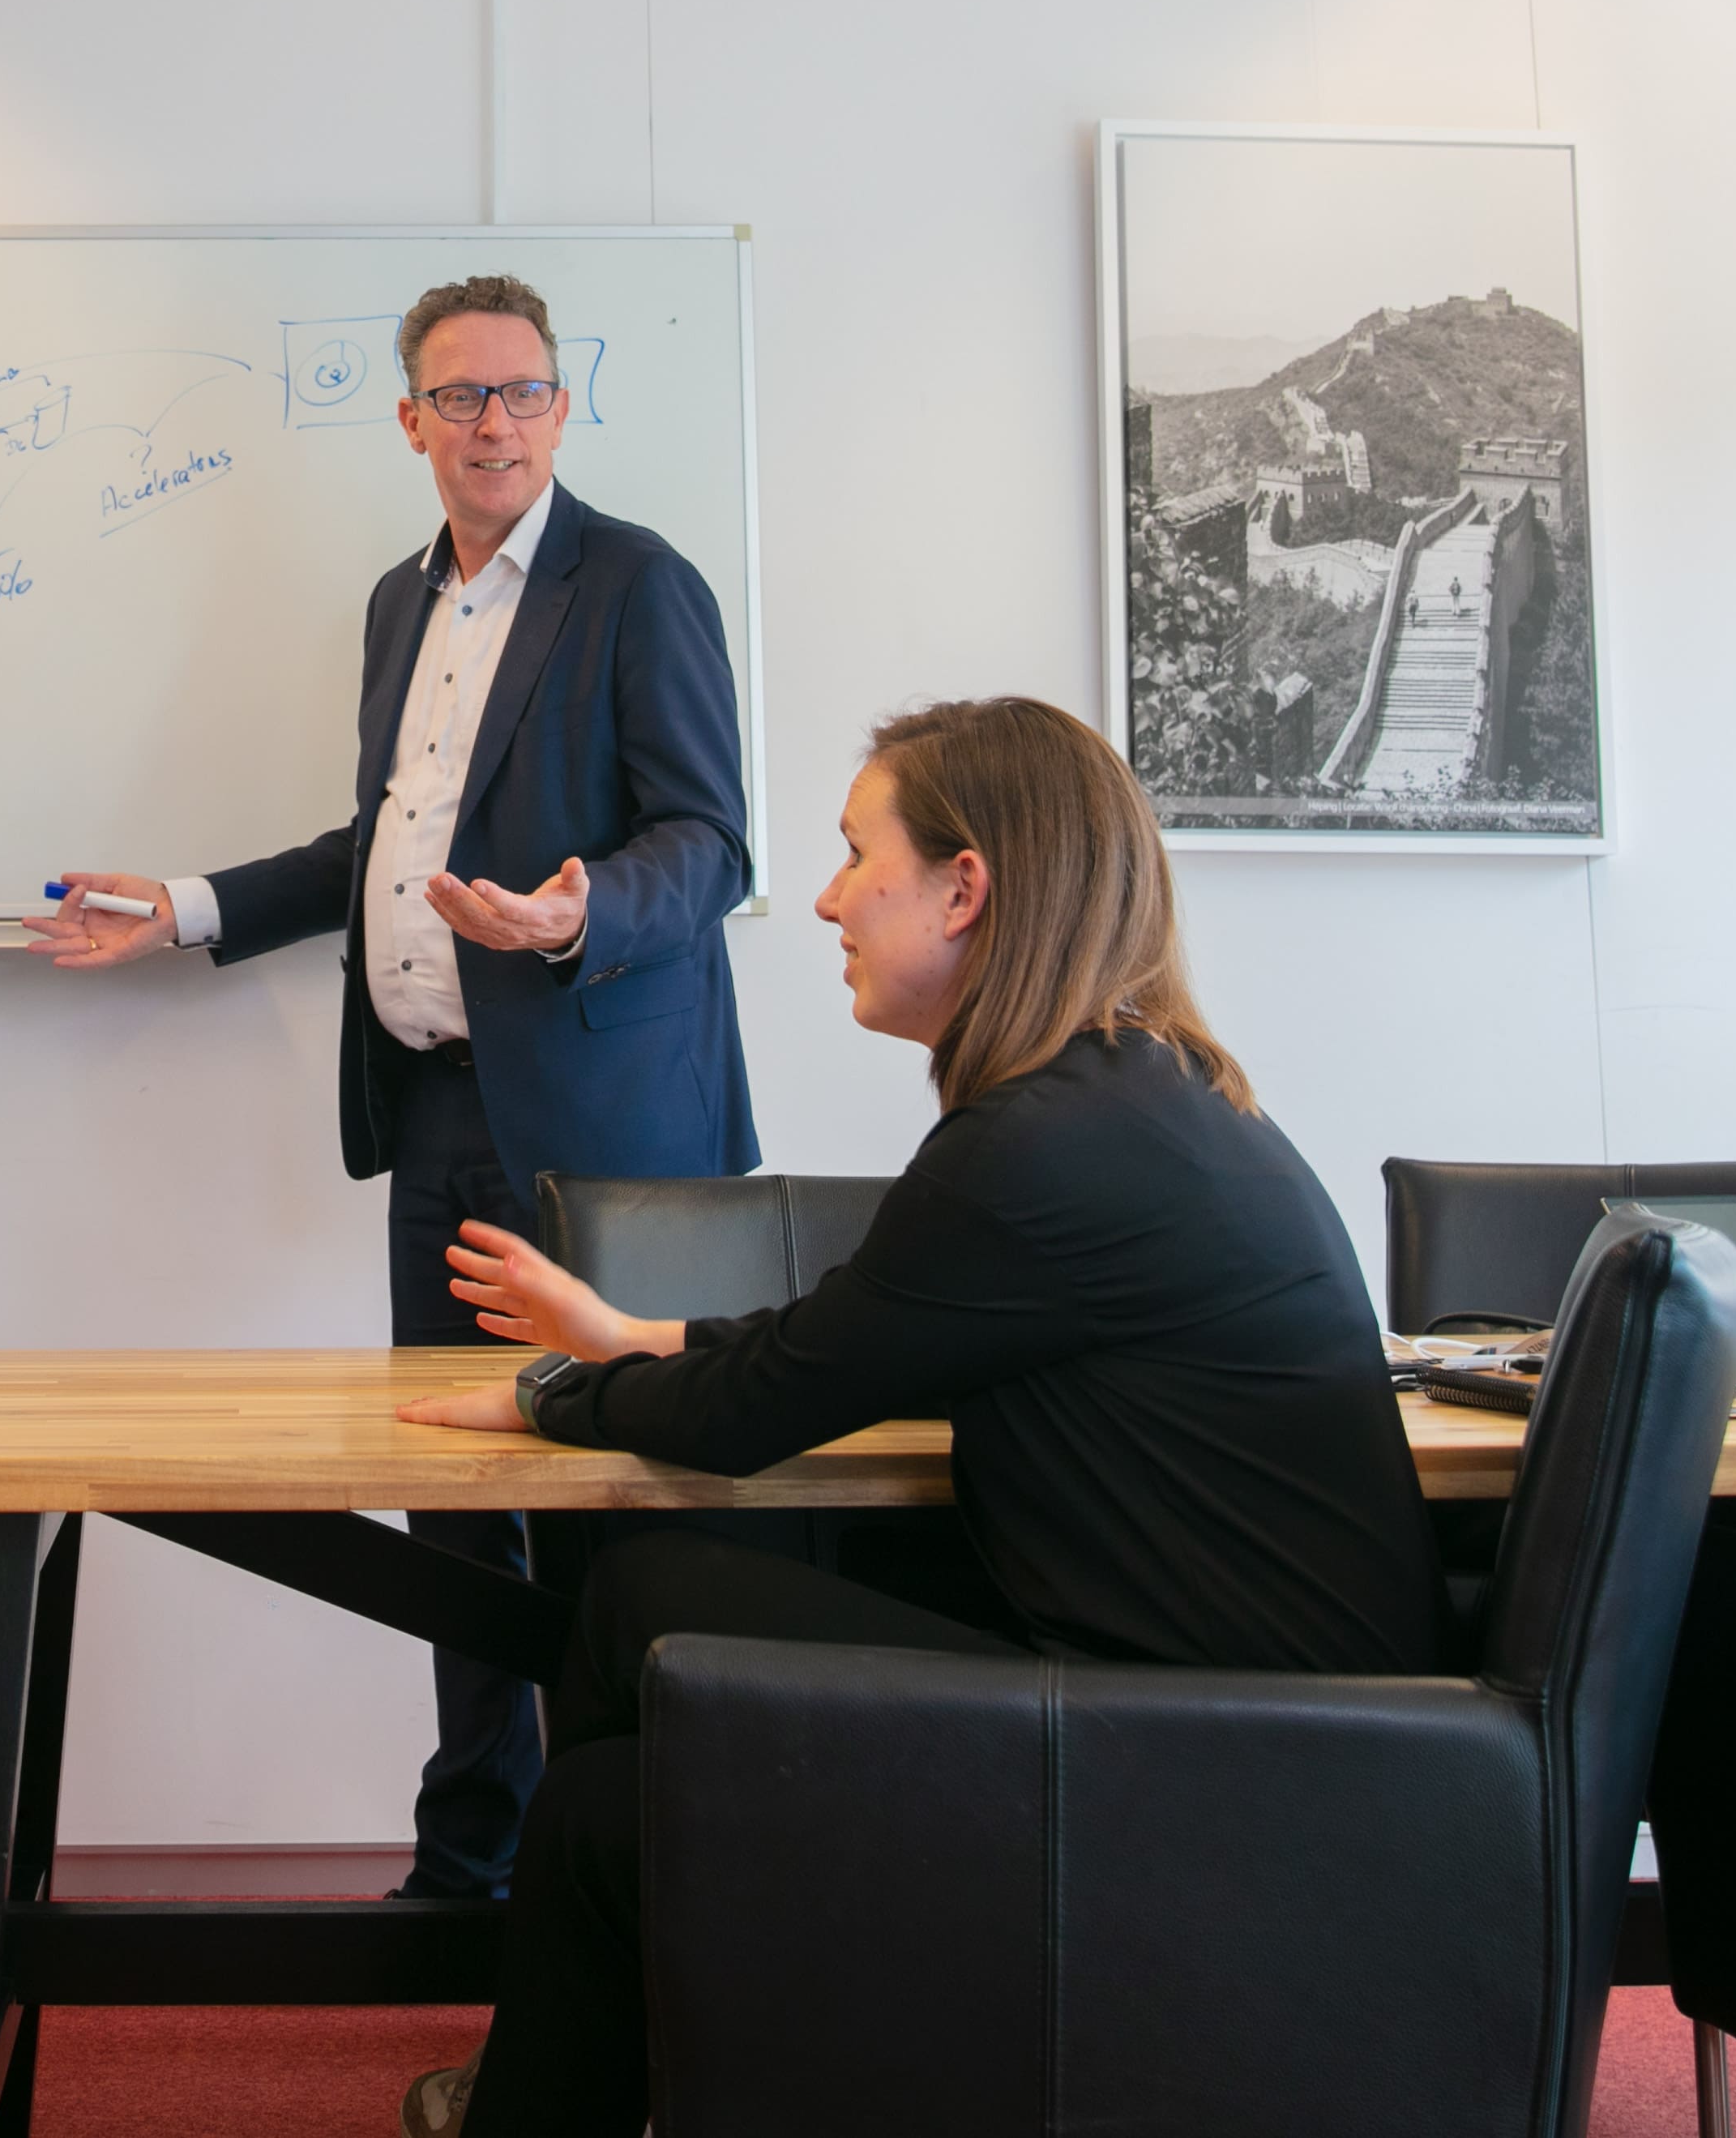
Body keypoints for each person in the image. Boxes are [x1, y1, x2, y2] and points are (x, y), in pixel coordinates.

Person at [379, 696, 1452, 2138]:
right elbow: (867, 1341)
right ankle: (654, 2045)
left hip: (1206, 1765)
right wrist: (634, 1336)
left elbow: (759, 1410)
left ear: (965, 886)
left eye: (850, 855)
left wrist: (558, 1394)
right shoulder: (1137, 1098)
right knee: (638, 1628)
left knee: (606, 1762)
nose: (822, 897)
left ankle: (596, 2065)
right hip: (1271, 1721)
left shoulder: (1037, 1145)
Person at [28, 275, 759, 1902]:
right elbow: (384, 848)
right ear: (411, 417)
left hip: (594, 1128)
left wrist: (576, 913)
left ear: (560, 410)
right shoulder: (395, 602)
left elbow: (709, 844)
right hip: (432, 1107)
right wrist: (190, 907)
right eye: (458, 396)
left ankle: (616, 1865)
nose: (489, 423)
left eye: (519, 393)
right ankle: (472, 1852)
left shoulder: (638, 587)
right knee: (451, 1498)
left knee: (589, 1499)